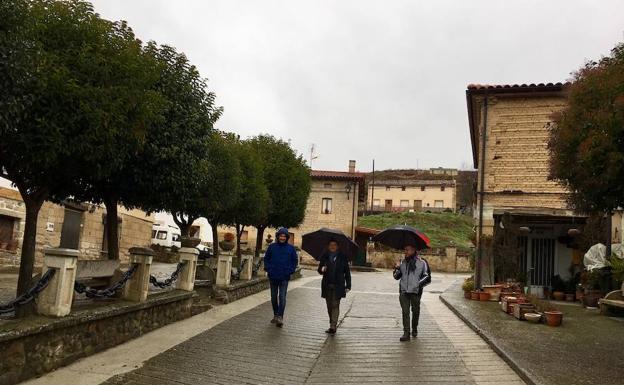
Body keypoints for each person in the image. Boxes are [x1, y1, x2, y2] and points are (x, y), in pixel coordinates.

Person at [393, 245, 431, 341]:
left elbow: (427, 277)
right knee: (405, 312)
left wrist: (417, 284)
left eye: (407, 250)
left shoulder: (422, 262)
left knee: (415, 311)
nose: (405, 251)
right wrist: (397, 268)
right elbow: (396, 276)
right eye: (404, 249)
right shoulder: (402, 262)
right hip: (404, 291)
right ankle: (406, 333)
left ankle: (414, 328)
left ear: (413, 250)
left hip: (416, 292)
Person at [264, 227, 298, 327]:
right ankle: (275, 315)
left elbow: (294, 261)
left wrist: (290, 271)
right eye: (281, 236)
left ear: (286, 237)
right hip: (273, 276)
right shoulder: (272, 247)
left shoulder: (291, 248)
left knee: (282, 297)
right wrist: (268, 268)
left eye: (284, 236)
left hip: (284, 277)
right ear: (278, 236)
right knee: (273, 297)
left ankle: (280, 317)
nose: (282, 238)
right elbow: (266, 259)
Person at [317, 239, 352, 334]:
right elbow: (319, 270)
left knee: (335, 305)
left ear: (338, 246)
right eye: (331, 244)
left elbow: (347, 272)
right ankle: (332, 322)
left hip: (339, 285)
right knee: (329, 306)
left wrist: (348, 285)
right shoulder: (325, 256)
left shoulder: (342, 257)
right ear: (328, 246)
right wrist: (322, 269)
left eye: (335, 245)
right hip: (327, 285)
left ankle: (333, 326)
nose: (332, 246)